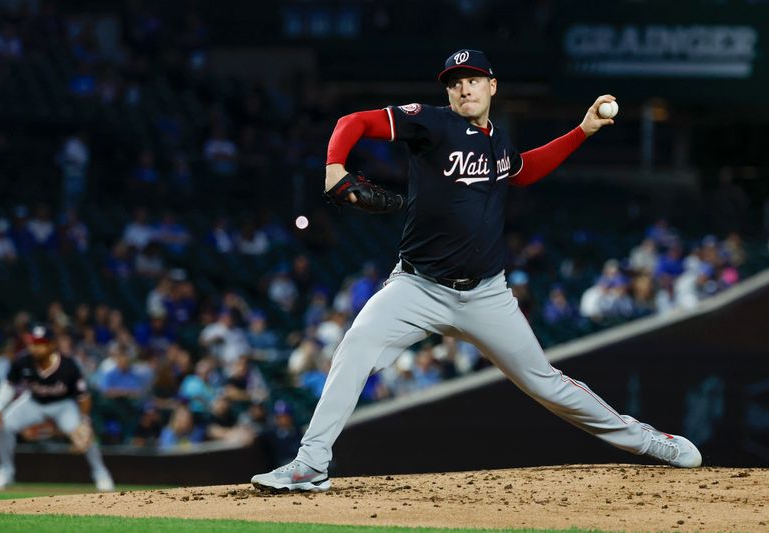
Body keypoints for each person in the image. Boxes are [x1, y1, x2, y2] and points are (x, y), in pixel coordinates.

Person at [251, 49, 701, 493]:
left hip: (488, 295)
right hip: (417, 288)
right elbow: (353, 123)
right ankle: (311, 464)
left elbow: (523, 170)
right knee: (355, 346)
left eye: (472, 79)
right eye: (454, 81)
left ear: (492, 86)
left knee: (545, 383)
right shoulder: (431, 122)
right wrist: (334, 168)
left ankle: (648, 441)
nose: (463, 87)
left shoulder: (498, 141)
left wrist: (582, 131)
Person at [0, 324, 114, 491]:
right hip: (33, 402)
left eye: (40, 343)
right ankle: (5, 471)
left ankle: (101, 473)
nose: (35, 347)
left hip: (63, 406)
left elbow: (84, 397)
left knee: (84, 435)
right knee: (3, 425)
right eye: (33, 342)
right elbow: (9, 384)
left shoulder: (68, 366)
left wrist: (84, 421)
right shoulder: (23, 360)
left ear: (51, 345)